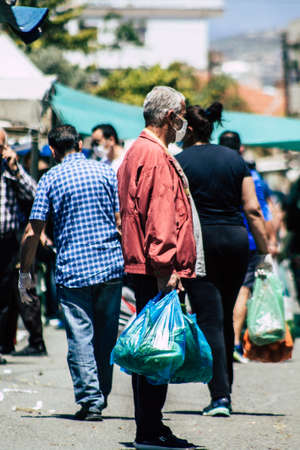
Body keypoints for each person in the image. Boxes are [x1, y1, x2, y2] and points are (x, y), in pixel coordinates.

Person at [118, 86, 204, 449]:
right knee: (159, 347)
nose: (184, 120)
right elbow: (161, 219)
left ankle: (149, 426)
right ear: (170, 117)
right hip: (156, 268)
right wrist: (167, 269)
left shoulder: (136, 151)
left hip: (144, 265)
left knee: (151, 348)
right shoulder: (154, 155)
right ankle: (150, 430)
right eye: (182, 114)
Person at [19, 125, 124, 421]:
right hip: (110, 266)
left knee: (80, 336)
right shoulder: (105, 172)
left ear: (52, 151)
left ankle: (91, 400)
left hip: (74, 269)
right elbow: (120, 219)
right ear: (79, 144)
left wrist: (24, 272)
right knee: (105, 338)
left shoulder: (51, 178)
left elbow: (33, 230)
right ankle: (100, 395)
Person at [176, 104, 269, 417]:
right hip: (235, 242)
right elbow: (253, 209)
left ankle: (220, 397)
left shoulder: (178, 162)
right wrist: (265, 250)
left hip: (200, 244)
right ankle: (225, 388)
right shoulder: (235, 159)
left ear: (189, 130)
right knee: (224, 316)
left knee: (210, 319)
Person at [218, 130, 278, 363]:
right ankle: (233, 343)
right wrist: (268, 243)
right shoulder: (251, 175)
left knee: (219, 291)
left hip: (215, 240)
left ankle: (217, 341)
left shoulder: (214, 171)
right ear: (241, 149)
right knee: (242, 291)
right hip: (248, 242)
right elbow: (260, 213)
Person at [0, 128, 47, 357]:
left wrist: (16, 169)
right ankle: (5, 343)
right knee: (5, 296)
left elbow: (36, 193)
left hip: (12, 241)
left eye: (1, 147)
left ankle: (35, 341)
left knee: (22, 288)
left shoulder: (10, 170)